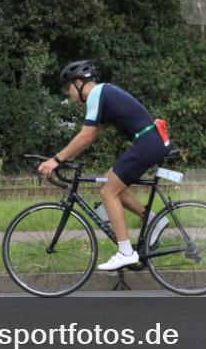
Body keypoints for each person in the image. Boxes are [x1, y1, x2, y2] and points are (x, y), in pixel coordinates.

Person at [36, 60, 170, 270]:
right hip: (150, 141)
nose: (68, 94)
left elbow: (86, 135)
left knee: (108, 192)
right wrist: (66, 158)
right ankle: (154, 221)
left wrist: (56, 160)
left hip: (148, 142)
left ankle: (126, 252)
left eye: (68, 87)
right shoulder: (103, 93)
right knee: (110, 180)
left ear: (79, 83)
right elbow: (90, 135)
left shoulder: (97, 93)